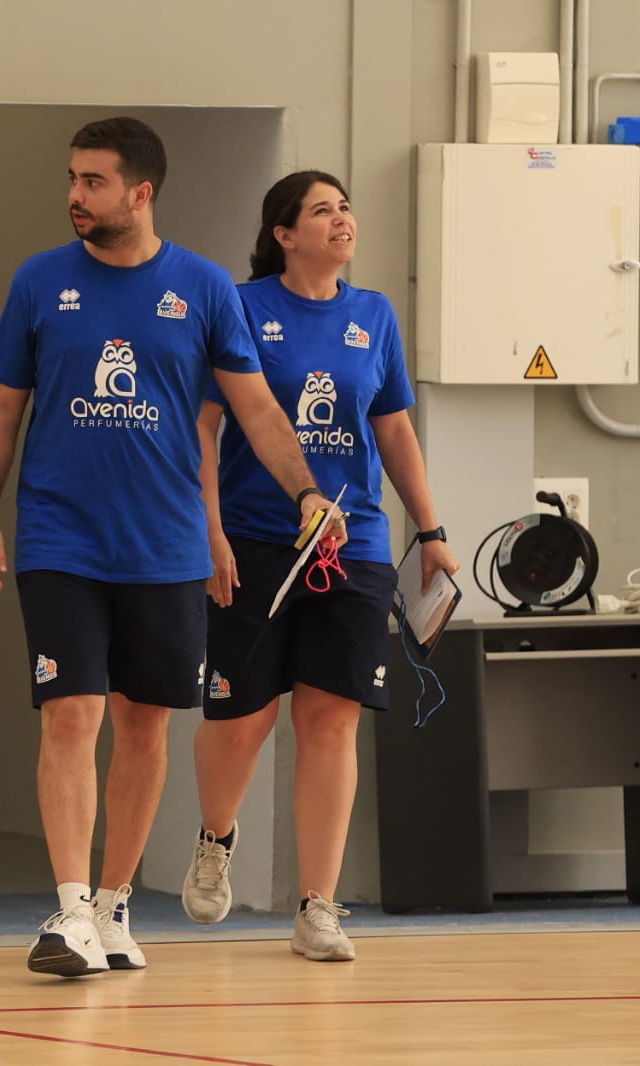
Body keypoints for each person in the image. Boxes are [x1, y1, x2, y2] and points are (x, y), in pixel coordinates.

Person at [0, 119, 335, 978]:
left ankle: (113, 905)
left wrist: (306, 490)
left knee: (142, 724)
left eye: (93, 181)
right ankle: (67, 912)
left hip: (166, 548)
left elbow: (256, 411)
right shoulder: (38, 283)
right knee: (72, 713)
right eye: (71, 178)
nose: (74, 195)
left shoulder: (205, 289)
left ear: (141, 193)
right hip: (60, 537)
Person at [182, 170, 459, 961]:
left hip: (355, 544)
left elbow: (395, 432)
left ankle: (318, 907)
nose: (342, 220)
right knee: (244, 719)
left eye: (346, 208)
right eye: (322, 211)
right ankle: (215, 838)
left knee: (330, 719)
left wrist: (430, 528)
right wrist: (211, 533)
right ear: (284, 232)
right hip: (256, 539)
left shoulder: (374, 315)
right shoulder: (238, 307)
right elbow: (205, 429)